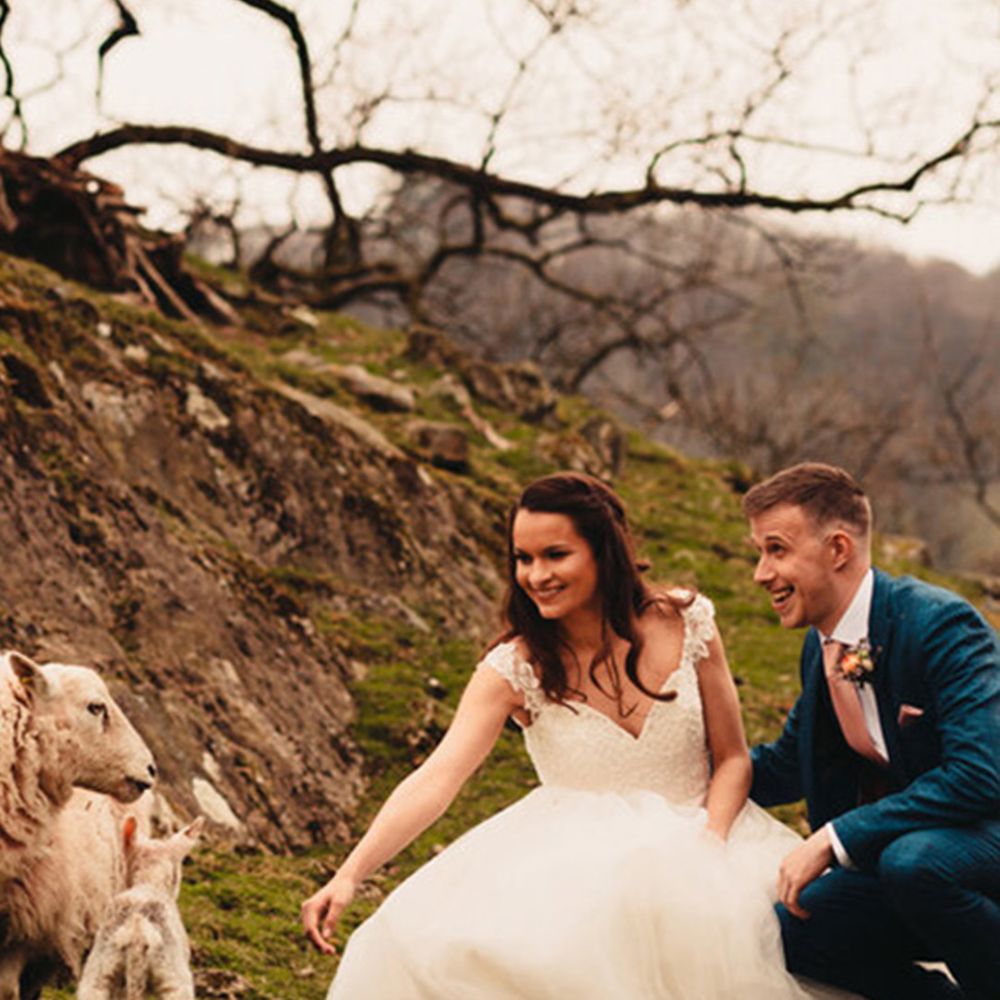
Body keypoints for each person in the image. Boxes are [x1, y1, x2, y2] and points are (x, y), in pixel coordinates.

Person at [302, 471, 851, 999]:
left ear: (602, 552)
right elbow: (438, 778)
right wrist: (351, 873)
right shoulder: (511, 669)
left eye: (555, 555)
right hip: (572, 864)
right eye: (523, 558)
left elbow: (732, 758)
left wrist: (706, 847)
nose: (536, 575)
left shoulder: (688, 621)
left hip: (709, 836)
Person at [746, 462, 1000, 1000]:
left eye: (776, 550)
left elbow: (981, 774)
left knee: (915, 862)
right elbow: (789, 765)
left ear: (838, 549)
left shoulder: (940, 624)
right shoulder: (822, 651)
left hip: (976, 843)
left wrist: (836, 839)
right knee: (792, 930)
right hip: (909, 861)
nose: (760, 573)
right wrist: (673, 754)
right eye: (760, 553)